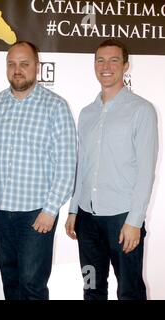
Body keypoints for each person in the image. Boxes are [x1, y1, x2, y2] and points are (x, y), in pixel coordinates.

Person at [0, 41, 77, 300]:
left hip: (37, 213)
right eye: (12, 64)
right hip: (1, 209)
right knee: (10, 283)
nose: (17, 70)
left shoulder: (55, 106)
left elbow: (67, 164)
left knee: (32, 286)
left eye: (24, 64)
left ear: (37, 67)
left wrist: (50, 210)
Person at [65, 39, 158, 300]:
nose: (106, 66)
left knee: (129, 291)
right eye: (100, 60)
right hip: (87, 220)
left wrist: (134, 222)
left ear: (126, 66)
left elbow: (145, 172)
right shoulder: (86, 113)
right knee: (91, 287)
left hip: (122, 219)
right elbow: (81, 165)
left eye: (113, 60)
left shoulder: (141, 110)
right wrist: (74, 209)